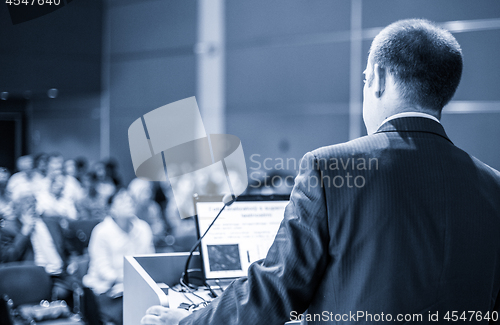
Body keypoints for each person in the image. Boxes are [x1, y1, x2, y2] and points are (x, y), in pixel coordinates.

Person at [141, 19, 500, 325]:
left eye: (363, 79)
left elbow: (274, 292)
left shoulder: (330, 167)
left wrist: (186, 319)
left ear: (376, 78)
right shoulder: (492, 185)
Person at [83, 189, 154, 325]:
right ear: (111, 209)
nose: (128, 202)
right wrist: (131, 281)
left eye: (130, 199)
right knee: (135, 310)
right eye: (122, 200)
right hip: (106, 289)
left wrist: (133, 283)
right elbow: (105, 272)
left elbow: (149, 262)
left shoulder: (144, 228)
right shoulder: (101, 232)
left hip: (136, 286)